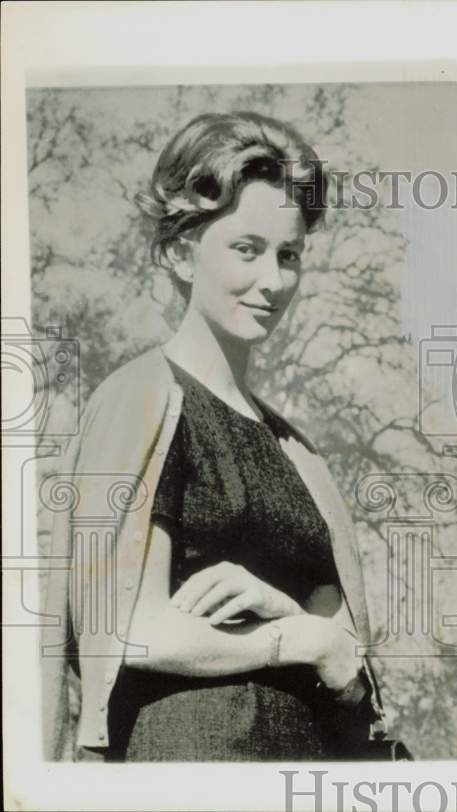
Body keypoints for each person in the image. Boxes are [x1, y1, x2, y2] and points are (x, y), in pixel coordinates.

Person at [41, 111, 381, 761]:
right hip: (192, 761)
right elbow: (127, 630)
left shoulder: (293, 449)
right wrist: (293, 640)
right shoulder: (144, 401)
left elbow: (346, 655)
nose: (273, 281)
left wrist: (284, 612)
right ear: (179, 251)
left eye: (289, 256)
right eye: (246, 250)